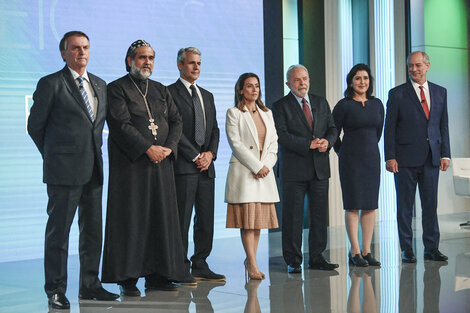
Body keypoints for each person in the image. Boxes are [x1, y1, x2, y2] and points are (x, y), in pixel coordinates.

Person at [27, 31, 119, 309]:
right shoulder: (51, 83)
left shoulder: (100, 85)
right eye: (75, 48)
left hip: (93, 170)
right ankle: (55, 290)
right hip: (63, 172)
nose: (82, 52)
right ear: (64, 53)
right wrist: (55, 157)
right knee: (59, 235)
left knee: (92, 232)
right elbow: (35, 127)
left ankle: (90, 285)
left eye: (85, 47)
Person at [101, 40, 186, 296]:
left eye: (150, 57)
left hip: (161, 165)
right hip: (132, 167)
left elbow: (176, 120)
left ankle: (159, 274)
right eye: (141, 58)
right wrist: (148, 148)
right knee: (132, 220)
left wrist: (169, 148)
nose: (147, 62)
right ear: (130, 61)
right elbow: (120, 124)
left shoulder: (160, 89)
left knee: (160, 218)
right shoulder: (116, 89)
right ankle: (127, 278)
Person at [384, 51, 450, 263]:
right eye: (410, 66)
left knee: (430, 205)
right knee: (404, 206)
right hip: (404, 160)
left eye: (418, 65)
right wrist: (390, 156)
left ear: (427, 66)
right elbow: (390, 128)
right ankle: (407, 249)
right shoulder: (397, 94)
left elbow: (443, 125)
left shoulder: (440, 92)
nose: (414, 69)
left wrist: (445, 154)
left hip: (432, 158)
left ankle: (431, 248)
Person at [272, 65, 338, 273]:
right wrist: (306, 144)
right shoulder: (280, 106)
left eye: (305, 79)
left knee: (319, 215)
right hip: (293, 170)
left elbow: (333, 128)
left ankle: (317, 257)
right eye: (297, 80)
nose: (302, 83)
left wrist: (328, 141)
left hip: (319, 168)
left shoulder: (320, 101)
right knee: (292, 217)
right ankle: (293, 260)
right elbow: (280, 135)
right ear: (288, 84)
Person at [167, 47, 225, 283]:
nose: (196, 67)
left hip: (206, 167)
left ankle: (200, 263)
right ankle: (180, 266)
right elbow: (174, 130)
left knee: (205, 219)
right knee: (181, 220)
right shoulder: (169, 93)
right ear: (180, 65)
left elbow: (214, 130)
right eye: (191, 63)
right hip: (184, 166)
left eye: (199, 63)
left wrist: (210, 154)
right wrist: (195, 156)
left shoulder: (207, 95)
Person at [225, 73, 279, 280]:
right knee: (247, 222)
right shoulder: (234, 113)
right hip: (246, 173)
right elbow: (236, 143)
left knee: (256, 223)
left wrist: (266, 166)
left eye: (257, 86)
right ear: (241, 89)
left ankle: (251, 259)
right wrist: (257, 166)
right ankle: (252, 263)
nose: (254, 90)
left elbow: (274, 142)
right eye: (249, 86)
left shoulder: (267, 113)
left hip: (264, 173)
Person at [332, 64, 384, 267]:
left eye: (365, 78)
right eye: (358, 78)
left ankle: (367, 250)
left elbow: (378, 132)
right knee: (353, 205)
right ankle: (354, 251)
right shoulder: (343, 105)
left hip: (372, 159)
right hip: (351, 160)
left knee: (370, 206)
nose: (362, 82)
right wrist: (342, 152)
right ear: (351, 82)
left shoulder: (378, 104)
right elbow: (333, 133)